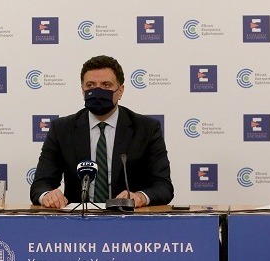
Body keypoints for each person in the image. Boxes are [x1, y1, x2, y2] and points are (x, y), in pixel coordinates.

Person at [30, 55, 173, 208]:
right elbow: (40, 184)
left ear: (120, 91)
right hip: (78, 217)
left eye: (106, 85)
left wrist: (140, 197)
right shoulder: (62, 129)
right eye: (90, 85)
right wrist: (48, 195)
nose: (97, 91)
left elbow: (163, 186)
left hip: (127, 216)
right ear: (83, 90)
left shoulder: (146, 129)